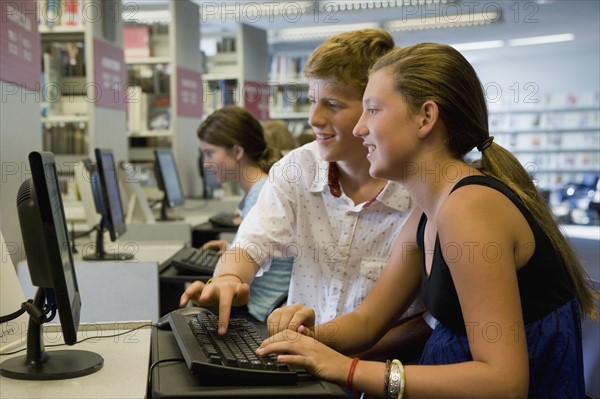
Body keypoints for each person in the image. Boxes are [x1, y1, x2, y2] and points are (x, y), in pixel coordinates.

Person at [257, 43, 597, 398]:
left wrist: (348, 369)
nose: (359, 128)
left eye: (372, 110)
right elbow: (368, 321)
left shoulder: (470, 208)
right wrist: (307, 339)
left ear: (425, 117)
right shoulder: (430, 208)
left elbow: (504, 383)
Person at [181, 28, 428, 359]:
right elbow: (251, 244)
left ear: (375, 108)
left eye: (333, 104)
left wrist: (334, 355)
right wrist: (227, 279)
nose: (314, 118)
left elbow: (429, 322)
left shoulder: (420, 189)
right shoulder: (297, 167)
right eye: (312, 101)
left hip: (385, 367)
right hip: (308, 360)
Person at [197, 105, 292, 321]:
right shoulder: (260, 188)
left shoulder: (262, 192)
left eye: (210, 152)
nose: (206, 163)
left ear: (238, 152)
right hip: (263, 306)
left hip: (263, 312)